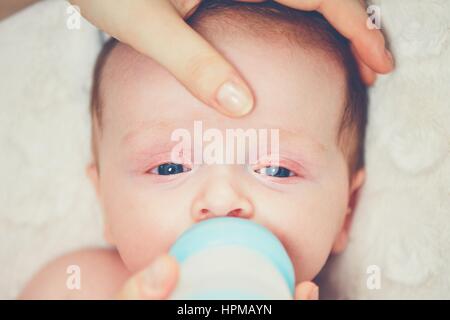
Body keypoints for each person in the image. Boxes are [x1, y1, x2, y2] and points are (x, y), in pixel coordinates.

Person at [21, 1, 369, 299]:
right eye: (170, 167)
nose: (220, 200)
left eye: (277, 169)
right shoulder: (79, 284)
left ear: (347, 209)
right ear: (104, 201)